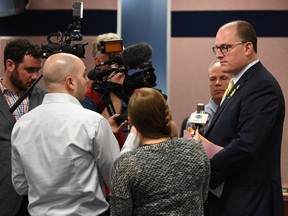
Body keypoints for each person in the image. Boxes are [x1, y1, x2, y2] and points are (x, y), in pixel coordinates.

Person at [11, 53, 120, 216]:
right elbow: (117, 178)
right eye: (84, 75)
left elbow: (21, 185)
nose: (87, 80)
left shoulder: (21, 125)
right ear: (70, 82)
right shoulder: (93, 122)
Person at [204, 20, 285, 216]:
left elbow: (247, 145)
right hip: (232, 197)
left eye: (225, 47)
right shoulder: (240, 83)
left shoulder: (261, 86)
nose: (218, 54)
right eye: (216, 48)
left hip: (249, 201)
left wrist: (205, 169)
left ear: (248, 47)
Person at [110, 87, 210, 216]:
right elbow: (202, 196)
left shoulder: (125, 164)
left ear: (132, 121)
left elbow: (119, 212)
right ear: (166, 113)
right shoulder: (196, 149)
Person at [0, 38, 46, 216]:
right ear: (10, 65)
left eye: (37, 70)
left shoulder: (46, 99)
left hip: (40, 198)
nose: (35, 76)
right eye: (29, 70)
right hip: (4, 196)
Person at [180, 60, 232, 136]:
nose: (217, 83)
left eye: (223, 78)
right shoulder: (195, 120)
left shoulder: (241, 113)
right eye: (213, 79)